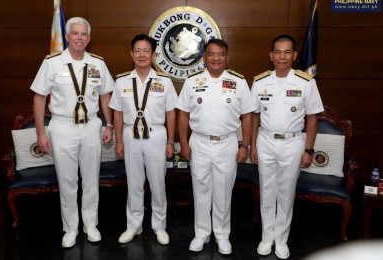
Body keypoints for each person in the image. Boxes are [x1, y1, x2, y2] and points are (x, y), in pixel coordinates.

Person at [30, 17, 114, 248]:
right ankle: (70, 228)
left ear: (89, 38)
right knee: (67, 181)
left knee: (90, 179)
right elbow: (38, 98)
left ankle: (90, 225)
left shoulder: (98, 63)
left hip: (91, 126)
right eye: (74, 34)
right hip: (62, 127)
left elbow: (106, 95)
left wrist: (109, 125)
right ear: (66, 37)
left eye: (83, 34)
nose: (79, 38)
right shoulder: (52, 62)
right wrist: (40, 133)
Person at [176, 38, 255, 255]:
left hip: (228, 143)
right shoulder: (192, 81)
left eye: (220, 54)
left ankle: (221, 235)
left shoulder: (238, 82)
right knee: (200, 189)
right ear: (204, 57)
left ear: (227, 58)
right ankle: (201, 233)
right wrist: (184, 143)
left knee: (222, 191)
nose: (216, 58)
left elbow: (247, 116)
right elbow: (182, 114)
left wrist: (245, 145)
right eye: (211, 54)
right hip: (199, 142)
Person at [250, 35, 324, 259]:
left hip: (293, 143)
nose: (282, 57)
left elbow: (312, 118)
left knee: (286, 192)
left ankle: (281, 240)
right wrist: (253, 145)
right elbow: (254, 116)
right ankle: (266, 237)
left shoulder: (306, 82)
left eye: (287, 52)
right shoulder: (260, 81)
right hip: (265, 141)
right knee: (267, 191)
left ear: (294, 55)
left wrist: (308, 150)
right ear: (271, 55)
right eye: (278, 52)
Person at [109, 34, 178, 245]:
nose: (141, 55)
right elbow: (118, 114)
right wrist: (118, 141)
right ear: (131, 54)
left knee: (157, 184)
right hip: (130, 135)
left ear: (154, 54)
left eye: (146, 51)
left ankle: (159, 226)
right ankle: (134, 225)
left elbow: (171, 113)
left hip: (156, 136)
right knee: (134, 183)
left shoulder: (164, 82)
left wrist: (170, 142)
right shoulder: (121, 81)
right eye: (137, 50)